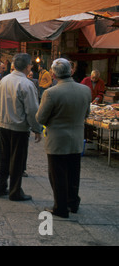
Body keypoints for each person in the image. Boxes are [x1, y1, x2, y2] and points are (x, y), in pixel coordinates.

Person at [36, 58, 91, 218]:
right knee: (74, 172)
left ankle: (60, 207)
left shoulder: (51, 93)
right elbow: (86, 114)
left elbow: (40, 118)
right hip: (76, 139)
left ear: (53, 74)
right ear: (70, 71)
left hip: (57, 140)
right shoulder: (85, 90)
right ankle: (73, 202)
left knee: (57, 174)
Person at [0, 53, 42, 201]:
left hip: (3, 125)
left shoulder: (3, 81)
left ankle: (0, 187)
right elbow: (33, 110)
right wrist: (37, 128)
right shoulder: (27, 84)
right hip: (19, 127)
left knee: (4, 158)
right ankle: (15, 191)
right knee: (17, 160)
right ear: (28, 66)